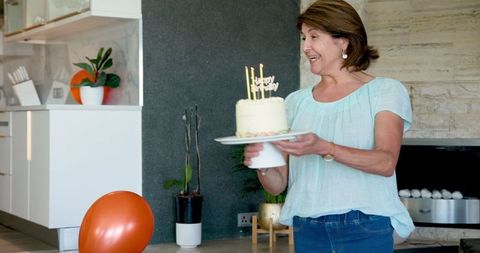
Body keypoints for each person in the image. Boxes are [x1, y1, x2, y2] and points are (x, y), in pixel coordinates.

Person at [243, 0, 414, 252]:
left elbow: (385, 162)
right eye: (303, 38)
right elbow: (278, 184)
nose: (306, 47)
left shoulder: (384, 91)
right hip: (306, 227)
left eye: (314, 36)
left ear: (343, 41)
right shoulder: (294, 102)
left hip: (363, 225)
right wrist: (263, 163)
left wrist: (324, 147)